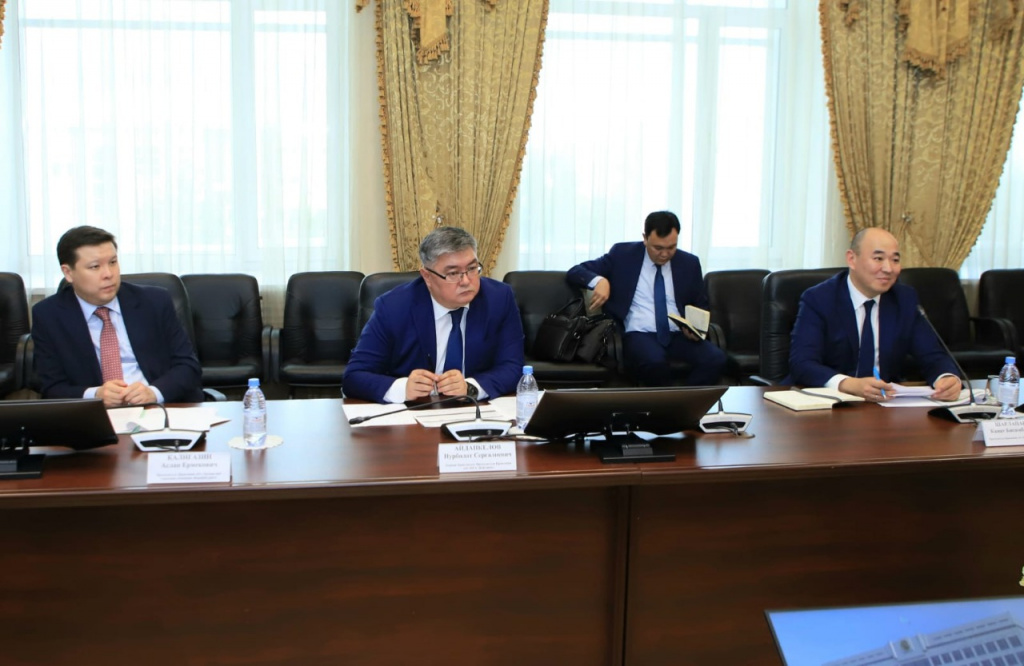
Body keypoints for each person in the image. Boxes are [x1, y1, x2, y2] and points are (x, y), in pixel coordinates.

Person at [342, 226, 525, 404]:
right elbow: (355, 376)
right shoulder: (393, 307)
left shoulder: (499, 298)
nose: (466, 281)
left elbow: (513, 367)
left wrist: (470, 388)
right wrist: (403, 388)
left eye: (472, 268)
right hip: (413, 413)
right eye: (453, 273)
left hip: (474, 410)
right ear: (427, 276)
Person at [31, 226, 203, 406]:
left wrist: (154, 392)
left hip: (160, 407)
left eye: (113, 262)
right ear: (68, 272)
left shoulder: (154, 302)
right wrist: (95, 395)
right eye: (95, 266)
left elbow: (188, 367)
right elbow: (51, 387)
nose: (108, 274)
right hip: (96, 414)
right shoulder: (48, 315)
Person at [788, 226, 961, 402]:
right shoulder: (819, 299)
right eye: (878, 258)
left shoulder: (904, 299)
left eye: (895, 260)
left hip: (885, 403)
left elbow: (932, 354)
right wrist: (848, 384)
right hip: (828, 403)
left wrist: (946, 377)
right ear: (852, 259)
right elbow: (802, 363)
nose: (888, 268)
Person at [565, 210, 725, 386]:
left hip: (678, 333)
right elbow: (575, 271)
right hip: (638, 333)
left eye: (671, 247)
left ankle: (688, 401)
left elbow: (701, 304)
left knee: (715, 359)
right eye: (658, 248)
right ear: (645, 238)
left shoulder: (689, 263)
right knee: (654, 362)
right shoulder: (622, 255)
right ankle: (668, 403)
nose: (664, 254)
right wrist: (600, 281)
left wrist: (696, 327)